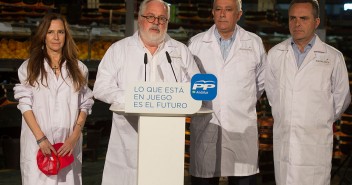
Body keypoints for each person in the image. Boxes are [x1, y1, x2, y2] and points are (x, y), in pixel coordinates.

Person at [92, 0, 199, 184]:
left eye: (162, 18)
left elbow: (195, 89)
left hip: (167, 140)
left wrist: (182, 97)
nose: (156, 22)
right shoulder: (120, 49)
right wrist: (132, 99)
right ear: (140, 19)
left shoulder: (180, 51)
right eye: (150, 17)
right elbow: (100, 87)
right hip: (128, 141)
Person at [265, 0, 351, 184]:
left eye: (304, 18)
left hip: (315, 142)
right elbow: (272, 94)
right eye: (292, 18)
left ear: (316, 22)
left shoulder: (333, 58)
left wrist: (319, 118)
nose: (297, 24)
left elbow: (341, 99)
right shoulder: (275, 54)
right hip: (285, 140)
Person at [188, 0, 267, 184]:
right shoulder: (196, 43)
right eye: (218, 9)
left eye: (229, 10)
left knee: (243, 177)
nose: (222, 14)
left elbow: (261, 83)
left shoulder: (254, 43)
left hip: (240, 128)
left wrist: (237, 100)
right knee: (204, 176)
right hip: (207, 124)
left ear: (239, 14)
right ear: (212, 13)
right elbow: (188, 81)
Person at [13, 13, 94, 185]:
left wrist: (74, 138)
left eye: (60, 32)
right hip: (38, 143)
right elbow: (25, 105)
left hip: (68, 144)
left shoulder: (80, 68)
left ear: (66, 35)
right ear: (43, 36)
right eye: (50, 32)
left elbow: (84, 105)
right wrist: (41, 138)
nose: (56, 37)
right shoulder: (29, 67)